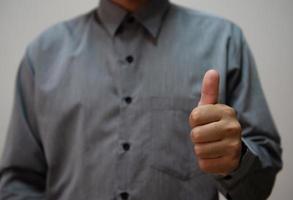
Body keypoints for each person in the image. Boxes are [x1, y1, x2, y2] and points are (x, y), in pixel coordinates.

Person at [0, 0, 282, 199]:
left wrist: (235, 162)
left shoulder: (225, 40)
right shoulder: (43, 54)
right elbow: (19, 182)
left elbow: (259, 186)